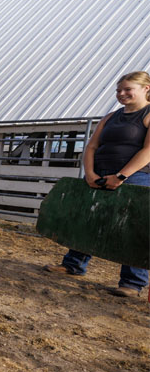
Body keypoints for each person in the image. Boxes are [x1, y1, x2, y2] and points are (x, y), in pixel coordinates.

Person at [44, 71, 150, 298]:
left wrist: (121, 176)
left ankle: (132, 283)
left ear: (146, 89)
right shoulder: (110, 117)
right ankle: (73, 265)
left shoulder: (148, 114)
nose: (121, 94)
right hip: (99, 174)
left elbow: (148, 151)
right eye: (118, 90)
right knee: (87, 218)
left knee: (131, 226)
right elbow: (91, 147)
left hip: (135, 177)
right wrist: (90, 173)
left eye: (127, 89)